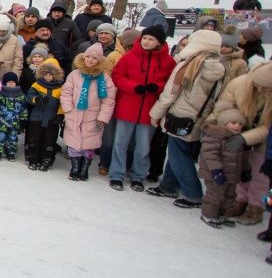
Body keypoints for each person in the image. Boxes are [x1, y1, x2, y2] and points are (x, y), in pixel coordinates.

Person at [148, 30, 225, 203]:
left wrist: (156, 114)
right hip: (200, 117)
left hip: (180, 115)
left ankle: (193, 193)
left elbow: (171, 93)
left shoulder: (189, 65)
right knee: (183, 152)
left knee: (177, 154)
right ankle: (169, 185)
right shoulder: (219, 66)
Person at [109, 25, 176, 187]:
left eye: (151, 39)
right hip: (127, 106)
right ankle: (116, 174)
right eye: (144, 38)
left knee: (143, 146)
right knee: (120, 143)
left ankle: (138, 175)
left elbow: (171, 83)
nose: (146, 41)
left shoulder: (168, 61)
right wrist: (133, 86)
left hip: (150, 109)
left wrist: (157, 87)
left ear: (159, 42)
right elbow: (117, 76)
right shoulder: (129, 56)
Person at [207, 62, 272, 226]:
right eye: (257, 85)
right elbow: (223, 107)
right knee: (239, 168)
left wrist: (245, 138)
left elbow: (268, 127)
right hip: (236, 129)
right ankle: (239, 201)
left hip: (263, 139)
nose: (260, 89)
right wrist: (215, 125)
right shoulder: (240, 84)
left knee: (259, 174)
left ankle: (255, 206)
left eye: (265, 87)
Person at [59, 44, 116, 182]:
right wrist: (68, 109)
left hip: (93, 116)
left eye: (94, 58)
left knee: (88, 144)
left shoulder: (105, 79)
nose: (90, 60)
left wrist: (103, 117)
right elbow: (66, 93)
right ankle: (75, 167)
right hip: (75, 114)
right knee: (74, 142)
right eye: (88, 57)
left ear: (100, 61)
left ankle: (85, 168)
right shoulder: (74, 75)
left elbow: (108, 100)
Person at [198, 109, 249, 227]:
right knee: (214, 195)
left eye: (240, 124)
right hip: (216, 173)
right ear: (223, 123)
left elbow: (243, 157)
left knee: (229, 196)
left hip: (232, 175)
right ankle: (208, 214)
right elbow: (210, 154)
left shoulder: (238, 140)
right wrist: (216, 170)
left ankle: (220, 214)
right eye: (234, 122)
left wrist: (246, 169)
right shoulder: (215, 136)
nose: (237, 126)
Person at [25, 58, 66, 172]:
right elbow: (28, 97)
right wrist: (36, 99)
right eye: (45, 73)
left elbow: (64, 102)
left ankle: (46, 161)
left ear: (56, 75)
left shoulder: (61, 87)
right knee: (34, 139)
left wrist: (60, 115)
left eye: (51, 74)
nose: (48, 76)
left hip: (51, 119)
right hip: (36, 118)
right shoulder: (37, 85)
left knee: (49, 141)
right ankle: (33, 160)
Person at [0, 71, 26, 162]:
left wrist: (23, 119)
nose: (11, 83)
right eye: (9, 82)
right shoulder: (0, 94)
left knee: (12, 138)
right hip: (1, 121)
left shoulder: (21, 96)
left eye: (13, 82)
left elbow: (23, 108)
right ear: (4, 82)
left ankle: (11, 153)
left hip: (15, 122)